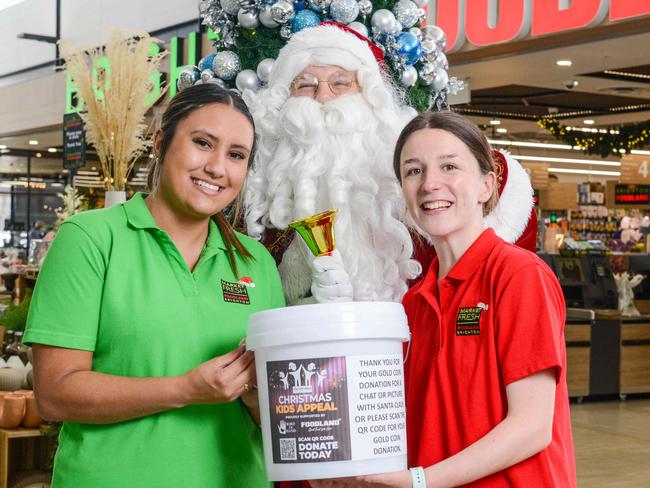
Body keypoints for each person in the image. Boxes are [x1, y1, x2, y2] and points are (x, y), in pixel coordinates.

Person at [24, 84, 285, 487]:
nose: (217, 167)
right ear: (162, 142)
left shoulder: (256, 263)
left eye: (236, 155)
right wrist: (184, 389)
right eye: (202, 143)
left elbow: (275, 410)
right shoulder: (92, 239)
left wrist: (255, 398)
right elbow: (55, 393)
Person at [311, 111, 576, 487]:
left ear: (486, 186)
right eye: (413, 171)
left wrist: (420, 480)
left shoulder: (518, 275)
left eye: (449, 166)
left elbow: (532, 427)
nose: (430, 183)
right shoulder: (413, 304)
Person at [243, 23, 537, 306]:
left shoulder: (414, 193)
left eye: (340, 83)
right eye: (305, 85)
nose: (322, 97)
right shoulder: (259, 205)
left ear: (371, 97)